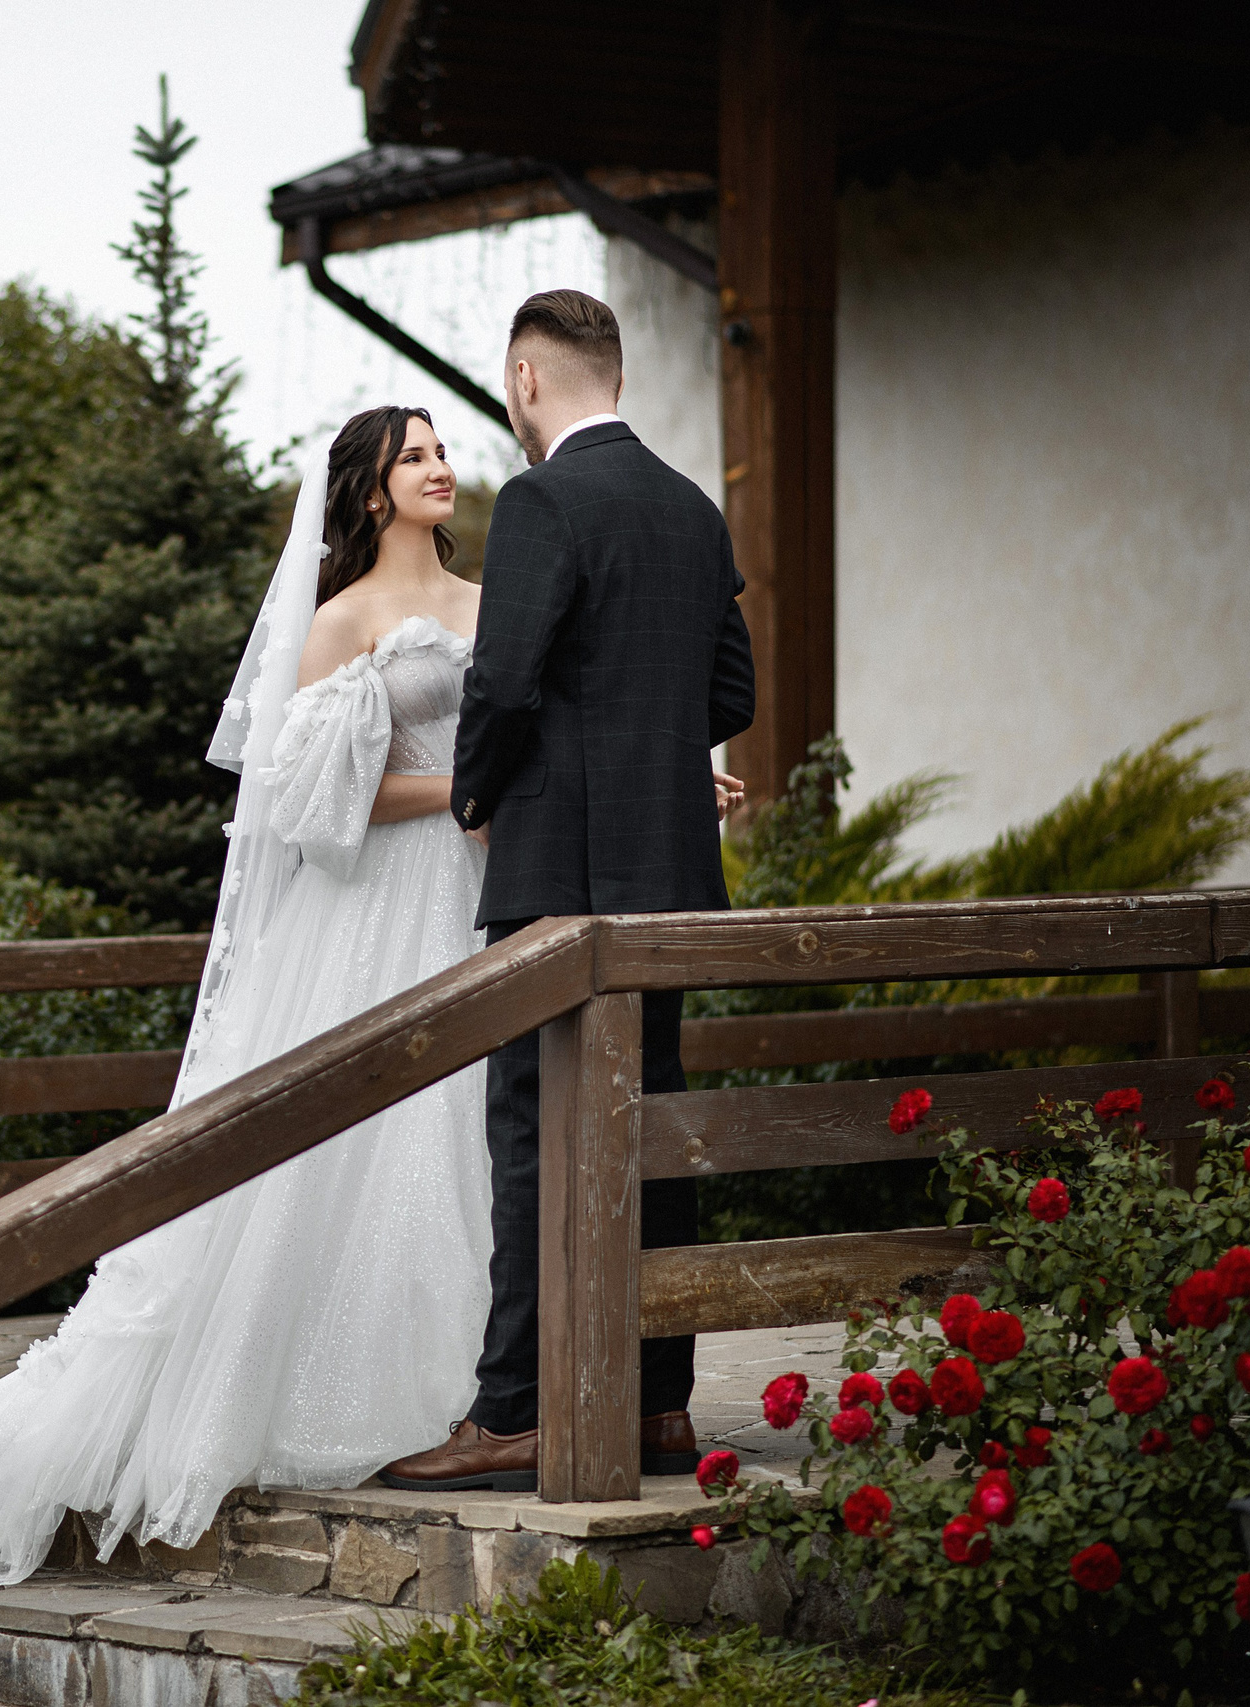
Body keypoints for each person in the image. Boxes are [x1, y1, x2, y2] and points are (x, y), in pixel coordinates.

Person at [0, 406, 495, 1584]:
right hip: (379, 909)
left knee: (464, 1132)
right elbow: (311, 798)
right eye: (413, 457)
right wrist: (459, 792)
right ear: (370, 490)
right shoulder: (339, 621)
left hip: (474, 897)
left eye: (442, 451)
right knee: (375, 1132)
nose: (439, 468)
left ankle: (472, 1394)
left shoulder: (490, 601)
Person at [379, 288, 756, 1494]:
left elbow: (501, 683)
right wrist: (648, 748)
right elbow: (732, 695)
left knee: (532, 1136)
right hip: (670, 884)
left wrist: (476, 796)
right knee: (653, 1123)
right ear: (619, 378)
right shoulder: (692, 509)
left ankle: (514, 1413)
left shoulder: (543, 500)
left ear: (526, 381)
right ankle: (658, 1405)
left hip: (557, 877)